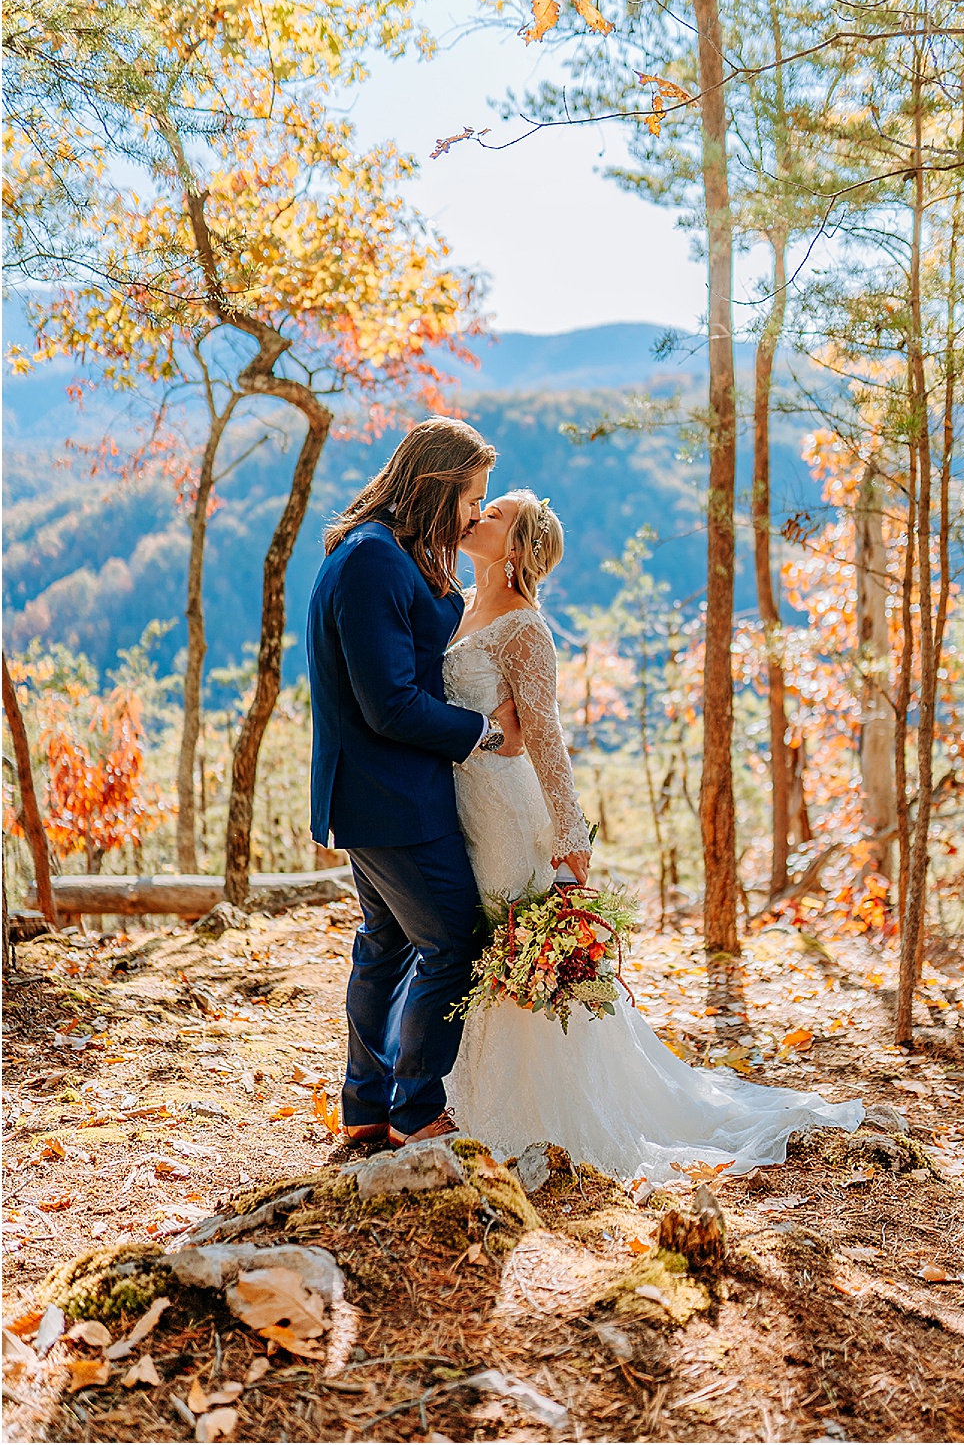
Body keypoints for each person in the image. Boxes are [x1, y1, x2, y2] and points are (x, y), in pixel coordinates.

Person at [440, 489, 863, 1180]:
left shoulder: (524, 628)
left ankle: (543, 1114)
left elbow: (545, 734)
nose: (477, 516)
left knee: (513, 946)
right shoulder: (457, 608)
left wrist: (571, 833)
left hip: (509, 811)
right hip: (461, 803)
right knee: (477, 944)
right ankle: (474, 1097)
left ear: (515, 549)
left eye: (495, 515)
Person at [307, 416, 519, 1158]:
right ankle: (417, 1112)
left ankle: (367, 1108)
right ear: (438, 485)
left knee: (389, 942)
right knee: (453, 940)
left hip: (382, 794)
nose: (474, 512)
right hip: (390, 797)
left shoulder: (387, 551)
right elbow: (389, 703)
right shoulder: (371, 561)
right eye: (472, 496)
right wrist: (485, 733)